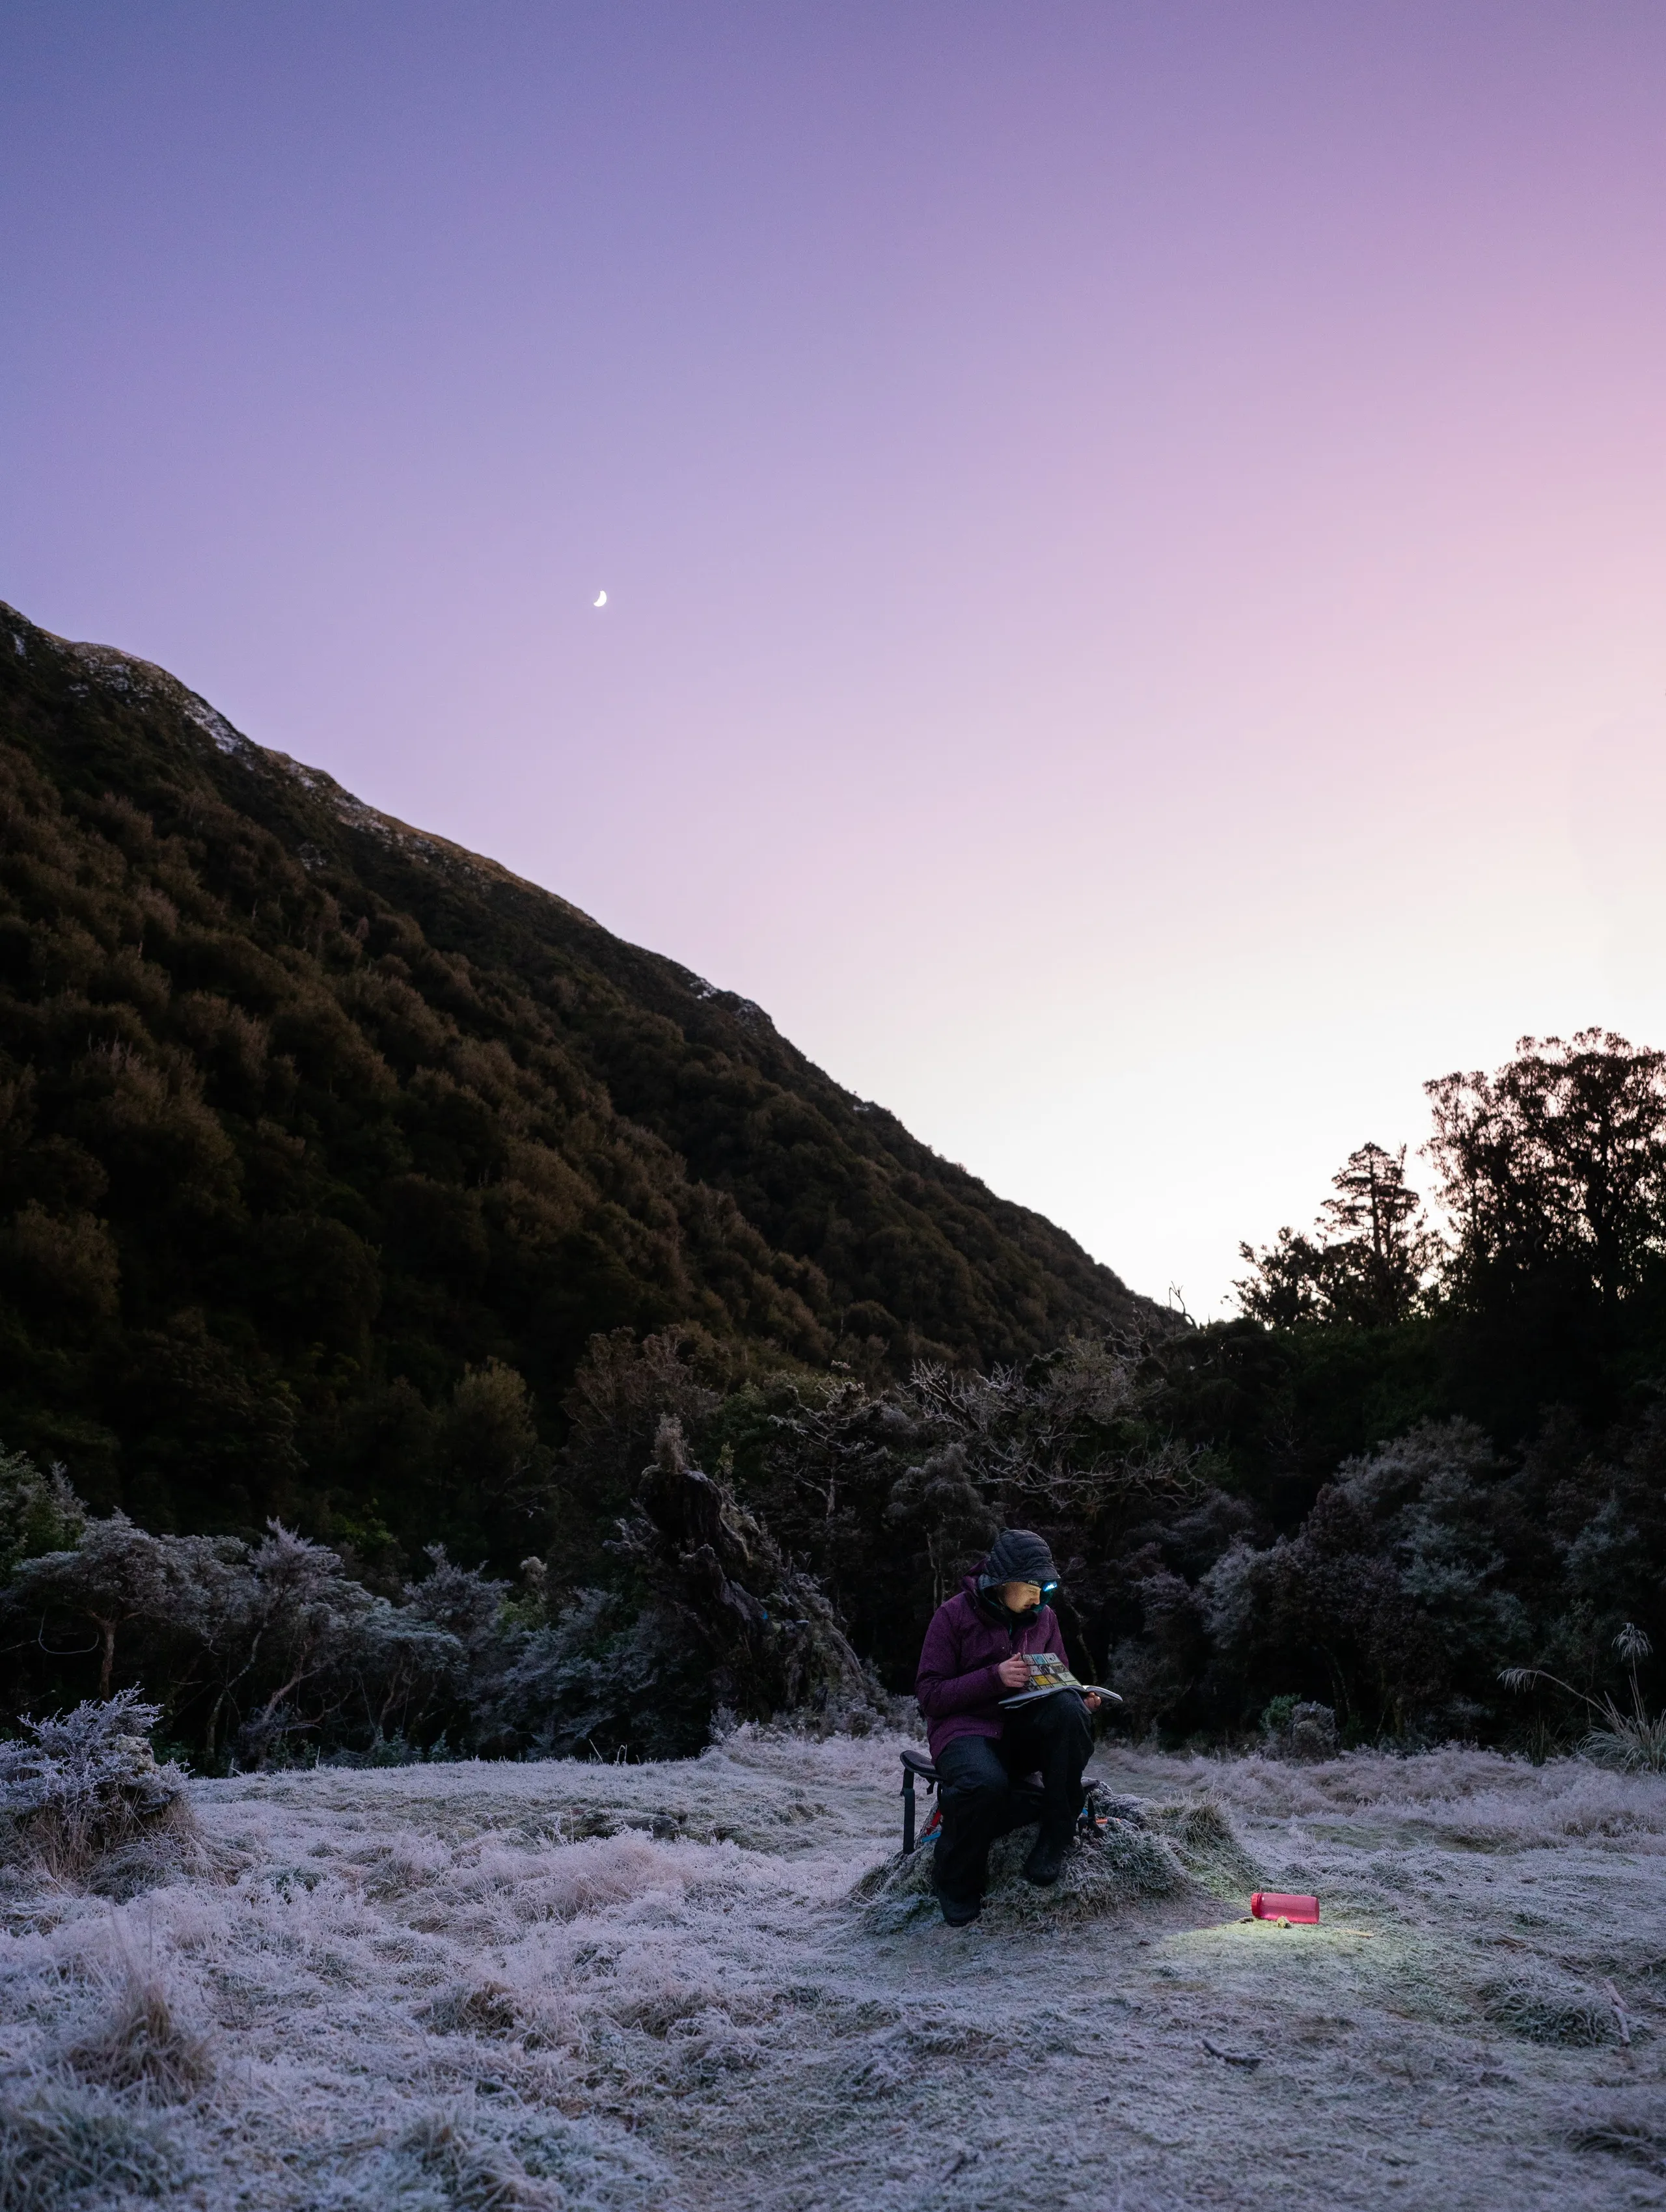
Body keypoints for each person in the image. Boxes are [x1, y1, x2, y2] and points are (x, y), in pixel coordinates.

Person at [914, 1529, 1101, 1925]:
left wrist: (1079, 1700)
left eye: (1049, 1588)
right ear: (1003, 1583)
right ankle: (956, 1880)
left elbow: (1061, 1677)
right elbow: (930, 1695)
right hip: (964, 1730)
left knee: (1069, 1711)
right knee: (985, 1783)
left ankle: (1056, 1834)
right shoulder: (953, 1615)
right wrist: (993, 1678)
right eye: (1035, 1588)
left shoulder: (1045, 1619)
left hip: (1021, 1729)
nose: (1042, 1598)